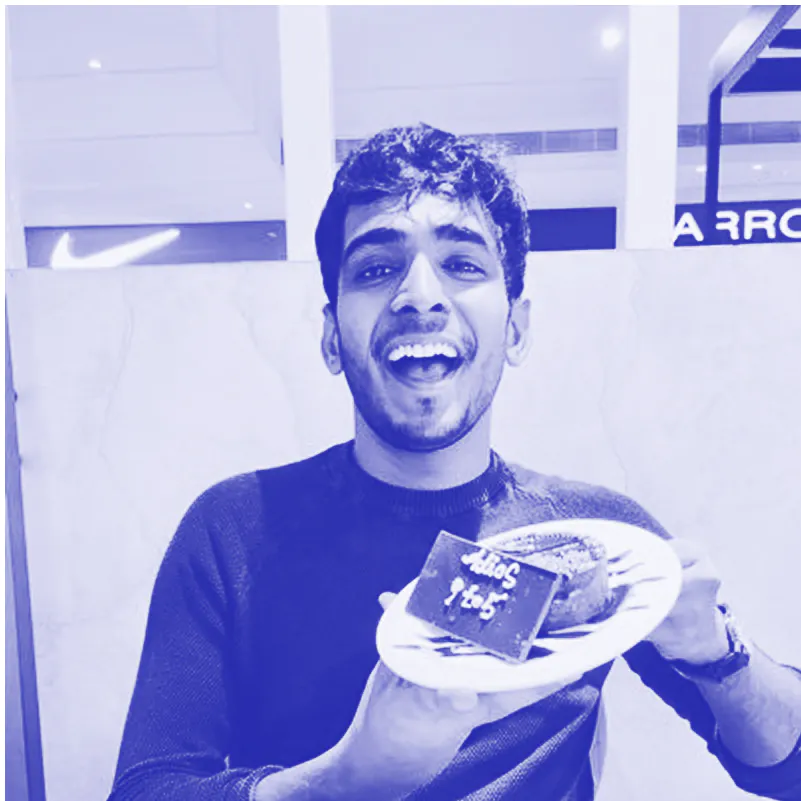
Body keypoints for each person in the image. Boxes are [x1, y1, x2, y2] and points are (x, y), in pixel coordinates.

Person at [107, 125, 801, 801]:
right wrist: (350, 776)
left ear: (517, 327)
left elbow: (784, 766)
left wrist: (719, 653)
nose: (418, 295)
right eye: (376, 268)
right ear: (329, 337)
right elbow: (148, 786)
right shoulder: (233, 530)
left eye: (463, 264)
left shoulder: (596, 536)